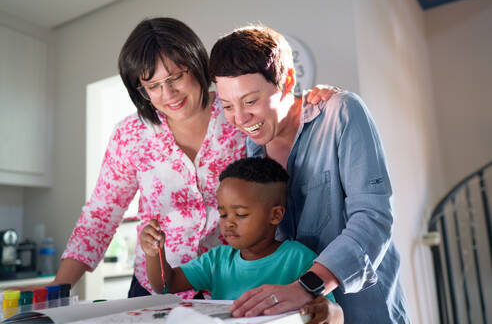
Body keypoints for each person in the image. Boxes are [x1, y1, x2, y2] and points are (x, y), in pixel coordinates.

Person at [43, 18, 335, 299]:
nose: (168, 93)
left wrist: (316, 98)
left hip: (233, 284)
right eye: (152, 86)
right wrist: (57, 290)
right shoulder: (130, 135)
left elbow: (281, 118)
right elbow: (100, 215)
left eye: (176, 77)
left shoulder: (237, 114)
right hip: (157, 286)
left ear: (196, 63)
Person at [209, 25, 410, 323]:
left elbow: (373, 219)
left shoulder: (340, 113)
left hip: (364, 312)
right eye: (227, 105)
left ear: (288, 81)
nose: (240, 118)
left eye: (250, 101)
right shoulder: (250, 149)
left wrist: (307, 286)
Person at [140, 157, 343, 323]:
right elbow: (166, 284)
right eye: (223, 214)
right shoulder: (217, 260)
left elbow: (331, 312)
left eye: (241, 214)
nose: (228, 223)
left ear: (275, 215)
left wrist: (330, 313)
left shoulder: (299, 258)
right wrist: (153, 253)